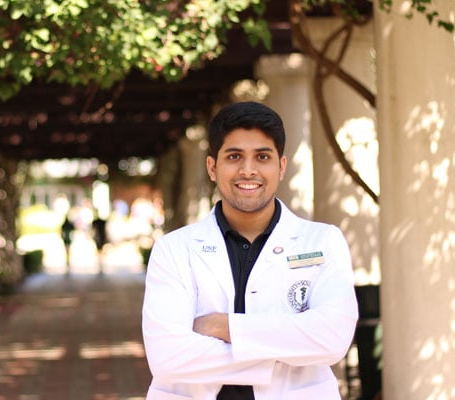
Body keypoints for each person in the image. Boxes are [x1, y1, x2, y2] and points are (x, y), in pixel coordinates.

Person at [141, 101, 358, 399]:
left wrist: (224, 325)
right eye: (234, 156)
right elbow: (167, 358)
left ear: (281, 167)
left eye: (262, 156)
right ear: (212, 167)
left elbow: (332, 339)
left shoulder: (322, 242)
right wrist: (281, 351)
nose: (248, 170)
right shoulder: (173, 250)